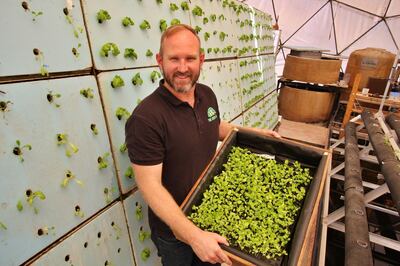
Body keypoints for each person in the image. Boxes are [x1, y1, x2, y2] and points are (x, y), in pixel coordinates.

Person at [125, 24, 281, 266]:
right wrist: (193, 236)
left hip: (210, 214)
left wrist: (253, 133)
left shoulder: (207, 95)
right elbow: (150, 187)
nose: (183, 67)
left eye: (190, 58)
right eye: (174, 59)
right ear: (159, 60)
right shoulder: (146, 118)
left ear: (201, 60)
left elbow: (215, 126)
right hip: (174, 232)